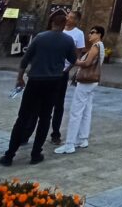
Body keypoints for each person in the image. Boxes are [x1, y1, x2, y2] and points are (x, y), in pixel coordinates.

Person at [0, 10, 77, 166]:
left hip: (35, 80)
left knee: (23, 117)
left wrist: (20, 78)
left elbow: (25, 59)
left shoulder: (40, 37)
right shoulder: (67, 40)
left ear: (52, 23)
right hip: (53, 81)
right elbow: (73, 60)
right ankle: (36, 154)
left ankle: (9, 155)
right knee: (45, 117)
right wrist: (63, 69)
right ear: (63, 25)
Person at [54, 25, 105, 154]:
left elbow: (87, 63)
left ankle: (70, 143)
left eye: (92, 33)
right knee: (87, 110)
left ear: (99, 34)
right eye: (90, 32)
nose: (90, 35)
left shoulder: (96, 46)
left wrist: (74, 61)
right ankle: (83, 138)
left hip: (86, 82)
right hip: (93, 82)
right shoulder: (101, 46)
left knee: (76, 111)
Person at [51, 10, 86, 144]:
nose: (68, 19)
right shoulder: (58, 30)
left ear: (76, 20)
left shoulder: (78, 34)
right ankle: (28, 132)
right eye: (67, 16)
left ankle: (55, 133)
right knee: (43, 102)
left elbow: (77, 55)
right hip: (49, 70)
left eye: (71, 17)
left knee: (58, 104)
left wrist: (67, 69)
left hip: (62, 72)